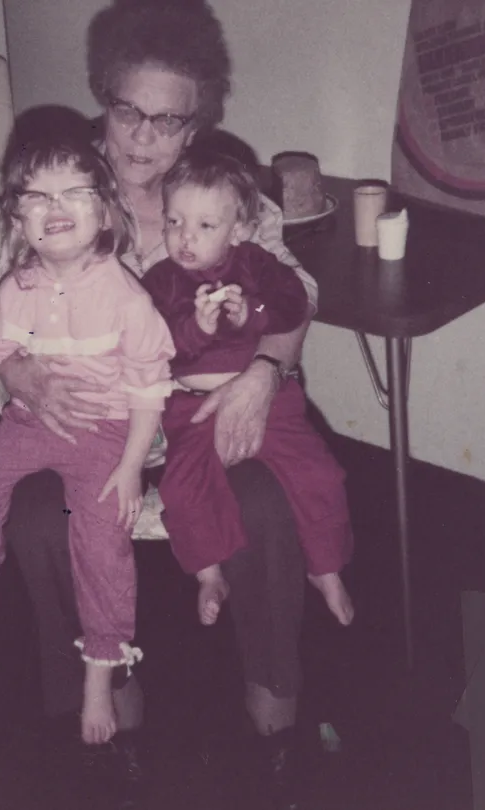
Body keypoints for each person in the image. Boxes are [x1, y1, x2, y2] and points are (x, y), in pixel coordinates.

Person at [0, 2, 324, 808]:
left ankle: (276, 720)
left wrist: (264, 375)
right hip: (89, 425)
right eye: (127, 111)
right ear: (103, 97)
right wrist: (18, 374)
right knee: (43, 518)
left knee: (268, 499)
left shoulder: (224, 193)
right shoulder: (56, 185)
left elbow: (298, 291)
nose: (142, 138)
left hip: (200, 415)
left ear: (195, 125)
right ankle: (112, 720)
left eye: (167, 120)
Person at [0, 134, 175, 746]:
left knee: (99, 541)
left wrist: (132, 466)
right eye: (38, 196)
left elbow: (147, 391)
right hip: (31, 420)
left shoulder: (126, 298)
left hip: (108, 431)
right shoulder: (17, 288)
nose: (56, 205)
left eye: (75, 193)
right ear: (19, 218)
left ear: (104, 211)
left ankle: (100, 672)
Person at [142, 149, 354, 628]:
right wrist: (193, 328)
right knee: (183, 487)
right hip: (189, 408)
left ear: (238, 230)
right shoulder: (161, 281)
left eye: (204, 226)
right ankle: (209, 574)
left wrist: (251, 313)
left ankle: (326, 567)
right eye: (174, 222)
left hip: (268, 400)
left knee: (318, 474)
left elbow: (293, 304)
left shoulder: (257, 264)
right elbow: (155, 347)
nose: (185, 238)